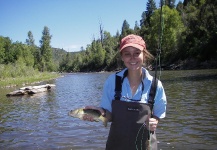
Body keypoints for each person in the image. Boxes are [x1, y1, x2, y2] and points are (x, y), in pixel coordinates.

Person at [84, 34, 167, 150]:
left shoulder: (156, 85)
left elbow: (158, 114)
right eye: (127, 54)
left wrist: (155, 121)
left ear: (144, 55)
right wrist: (99, 113)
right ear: (122, 57)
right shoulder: (112, 81)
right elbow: (109, 116)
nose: (132, 58)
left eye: (137, 53)